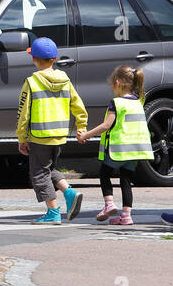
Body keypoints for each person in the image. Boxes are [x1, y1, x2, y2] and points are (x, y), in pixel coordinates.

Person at [17, 37, 87, 224]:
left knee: (39, 174)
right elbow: (78, 105)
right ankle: (70, 192)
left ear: (34, 59)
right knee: (49, 168)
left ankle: (53, 212)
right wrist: (81, 127)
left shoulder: (32, 82)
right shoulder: (65, 80)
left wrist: (21, 137)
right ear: (54, 59)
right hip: (59, 135)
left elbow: (23, 112)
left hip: (40, 136)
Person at [78, 66, 151, 225]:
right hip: (135, 151)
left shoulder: (116, 103)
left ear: (117, 83)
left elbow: (106, 125)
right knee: (126, 180)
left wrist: (86, 135)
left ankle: (109, 204)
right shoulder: (138, 101)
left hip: (119, 149)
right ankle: (126, 216)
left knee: (104, 173)